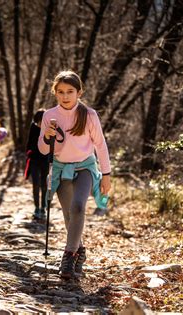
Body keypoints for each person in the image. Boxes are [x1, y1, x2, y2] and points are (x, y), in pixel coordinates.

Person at [38, 70, 111, 280]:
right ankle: (80, 250)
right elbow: (43, 150)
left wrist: (106, 174)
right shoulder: (49, 115)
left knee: (78, 206)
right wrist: (46, 136)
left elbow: (101, 145)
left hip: (86, 167)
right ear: (55, 93)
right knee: (69, 215)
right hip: (61, 169)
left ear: (79, 92)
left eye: (70, 91)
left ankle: (68, 256)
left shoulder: (89, 115)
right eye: (60, 92)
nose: (65, 96)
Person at [25, 109, 49, 220]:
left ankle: (44, 207)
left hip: (46, 161)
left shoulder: (49, 129)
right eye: (38, 121)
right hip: (34, 160)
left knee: (44, 185)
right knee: (35, 184)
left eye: (42, 121)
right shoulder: (33, 128)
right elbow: (29, 144)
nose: (39, 124)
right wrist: (30, 152)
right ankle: (36, 208)